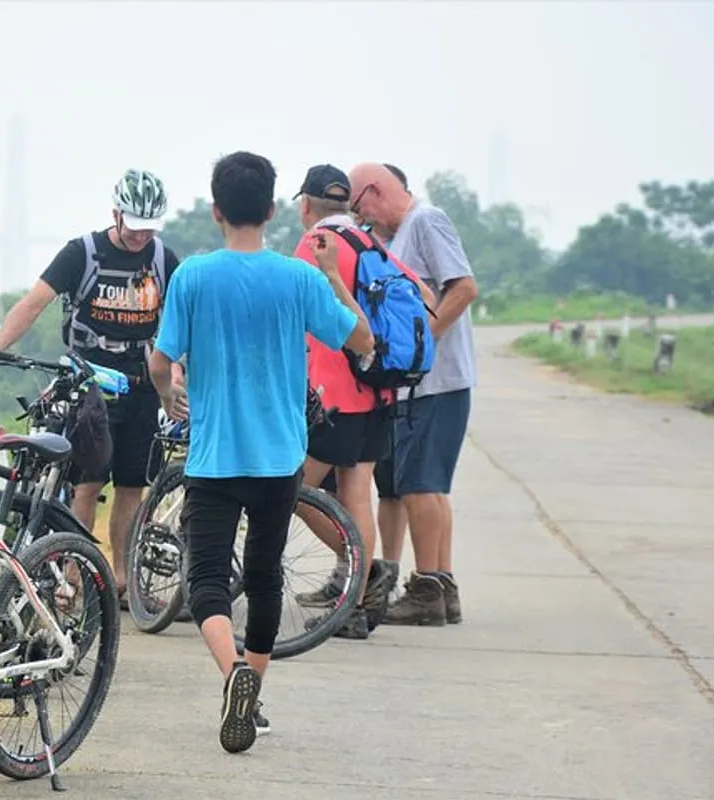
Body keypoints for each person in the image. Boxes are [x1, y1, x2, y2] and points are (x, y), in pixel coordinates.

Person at [148, 151, 373, 754]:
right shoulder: (297, 277)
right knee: (267, 575)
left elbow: (161, 359)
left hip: (214, 457)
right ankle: (256, 686)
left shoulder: (192, 276)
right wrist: (331, 275)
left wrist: (168, 393)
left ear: (217, 211)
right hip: (280, 458)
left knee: (206, 580)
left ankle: (234, 676)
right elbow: (361, 339)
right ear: (272, 210)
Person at [0, 169, 185, 605]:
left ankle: (122, 581)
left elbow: (181, 323)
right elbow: (34, 303)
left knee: (132, 486)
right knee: (87, 484)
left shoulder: (164, 260)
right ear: (115, 214)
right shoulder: (82, 253)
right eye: (134, 227)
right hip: (88, 386)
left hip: (141, 384)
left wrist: (176, 375)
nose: (141, 237)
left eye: (149, 229)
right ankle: (74, 577)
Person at [289, 163, 437, 639]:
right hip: (379, 390)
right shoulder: (371, 242)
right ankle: (355, 601)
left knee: (289, 490)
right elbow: (426, 295)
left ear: (306, 205)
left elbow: (294, 320)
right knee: (357, 493)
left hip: (332, 395)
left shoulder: (315, 247)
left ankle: (363, 574)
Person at [347, 162, 480, 627]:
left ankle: (427, 589)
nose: (363, 219)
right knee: (427, 486)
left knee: (422, 486)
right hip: (427, 384)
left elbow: (463, 288)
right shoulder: (397, 235)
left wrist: (426, 341)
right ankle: (440, 585)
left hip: (436, 381)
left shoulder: (427, 220)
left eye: (360, 207)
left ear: (375, 192)